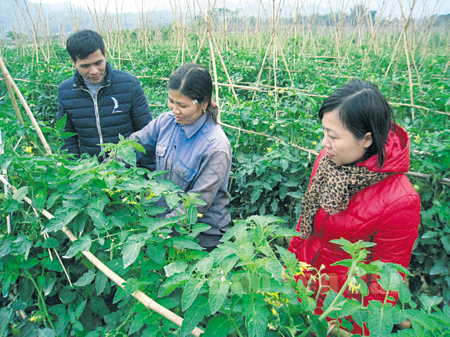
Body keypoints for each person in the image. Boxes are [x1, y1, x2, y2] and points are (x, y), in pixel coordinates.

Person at [289, 80, 420, 334]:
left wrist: (359, 328)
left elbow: (386, 282)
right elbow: (304, 225)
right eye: (324, 131)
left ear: (367, 139)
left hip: (343, 309)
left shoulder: (400, 200)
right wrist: (290, 272)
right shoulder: (327, 162)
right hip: (305, 287)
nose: (324, 143)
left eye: (333, 136)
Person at [129, 63, 232, 250]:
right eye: (171, 101)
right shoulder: (165, 122)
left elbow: (194, 204)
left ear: (204, 103)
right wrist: (109, 166)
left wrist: (157, 230)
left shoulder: (216, 147)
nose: (175, 110)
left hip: (202, 239)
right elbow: (134, 144)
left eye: (182, 105)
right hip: (164, 226)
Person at [56, 29, 153, 164]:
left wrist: (145, 170)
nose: (94, 71)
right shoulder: (66, 91)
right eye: (85, 66)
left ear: (105, 54)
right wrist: (73, 167)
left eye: (98, 63)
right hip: (91, 169)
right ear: (73, 61)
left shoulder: (128, 84)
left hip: (128, 169)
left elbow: (146, 132)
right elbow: (67, 138)